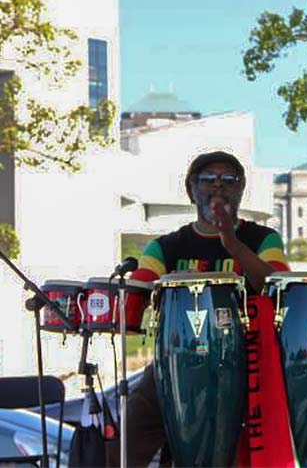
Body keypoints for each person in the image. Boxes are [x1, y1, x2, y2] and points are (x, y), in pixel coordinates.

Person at [106, 150, 289, 466]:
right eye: (208, 180)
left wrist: (233, 244)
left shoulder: (263, 238)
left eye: (229, 180)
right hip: (173, 363)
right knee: (126, 442)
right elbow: (136, 293)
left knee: (224, 450)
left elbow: (278, 288)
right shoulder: (167, 246)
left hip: (244, 360)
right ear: (191, 190)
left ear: (241, 189)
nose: (219, 187)